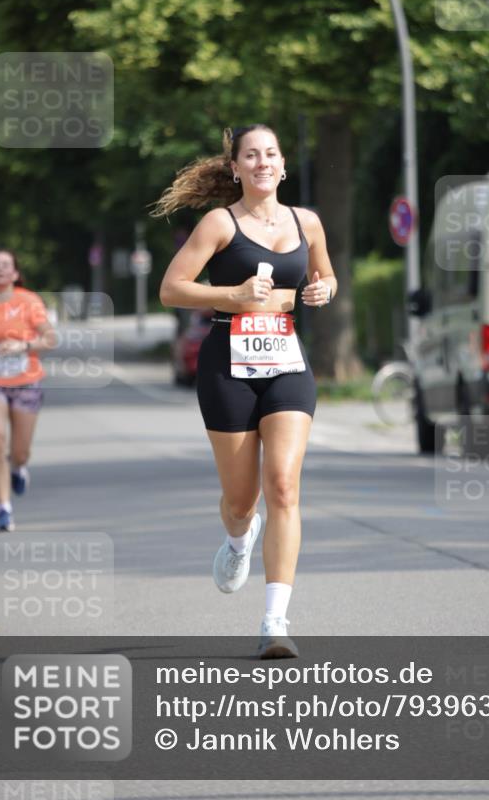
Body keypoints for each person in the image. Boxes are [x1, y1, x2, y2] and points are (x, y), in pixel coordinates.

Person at [156, 124, 337, 658]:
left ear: (283, 166)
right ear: (235, 168)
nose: (262, 162)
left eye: (271, 154)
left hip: (285, 358)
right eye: (251, 155)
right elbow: (171, 288)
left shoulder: (308, 222)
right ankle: (239, 538)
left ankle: (274, 621)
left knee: (283, 485)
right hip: (226, 362)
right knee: (243, 499)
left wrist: (323, 288)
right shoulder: (219, 222)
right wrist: (231, 293)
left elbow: (323, 277)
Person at [0, 250, 57, 532]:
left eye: (6, 265)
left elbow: (50, 338)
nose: (0, 269)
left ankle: (18, 468)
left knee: (19, 452)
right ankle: (4, 508)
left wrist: (22, 346)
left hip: (26, 380)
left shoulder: (29, 301)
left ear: (15, 274)